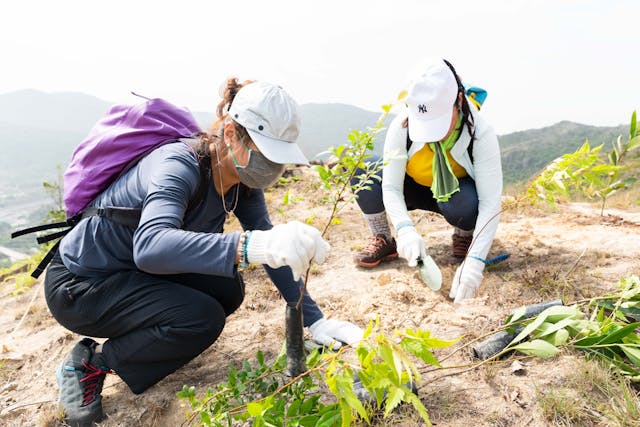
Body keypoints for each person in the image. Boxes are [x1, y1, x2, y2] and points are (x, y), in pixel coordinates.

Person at [45, 79, 363, 426]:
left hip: (131, 272)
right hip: (83, 284)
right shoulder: (178, 165)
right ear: (230, 134)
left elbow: (270, 246)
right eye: (264, 152)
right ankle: (92, 362)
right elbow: (151, 247)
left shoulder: (242, 183)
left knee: (227, 286)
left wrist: (315, 320)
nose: (271, 167)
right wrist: (249, 246)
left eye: (279, 157)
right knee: (201, 317)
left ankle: (151, 337)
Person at [351, 57, 503, 303]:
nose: (435, 133)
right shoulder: (402, 125)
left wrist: (475, 262)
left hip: (454, 191)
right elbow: (390, 186)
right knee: (365, 171)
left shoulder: (480, 131)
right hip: (411, 186)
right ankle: (383, 238)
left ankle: (464, 237)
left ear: (459, 101)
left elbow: (490, 202)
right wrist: (405, 229)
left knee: (465, 206)